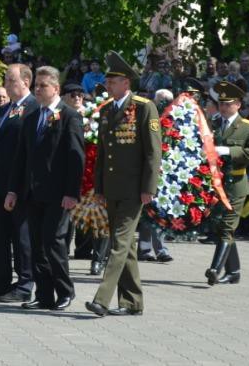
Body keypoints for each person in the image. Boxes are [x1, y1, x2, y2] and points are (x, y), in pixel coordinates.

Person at [85, 52, 161, 317]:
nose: (108, 85)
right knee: (126, 247)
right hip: (112, 188)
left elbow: (153, 151)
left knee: (118, 242)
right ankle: (132, 302)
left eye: (113, 81)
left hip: (133, 189)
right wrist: (99, 188)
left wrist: (148, 187)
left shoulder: (143, 107)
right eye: (108, 81)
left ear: (126, 83)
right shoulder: (106, 110)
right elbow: (103, 154)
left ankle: (102, 299)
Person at [5, 66, 85, 311]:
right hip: (33, 193)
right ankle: (44, 294)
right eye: (36, 86)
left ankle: (65, 290)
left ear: (56, 88)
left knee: (54, 242)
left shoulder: (69, 116)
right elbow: (20, 158)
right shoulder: (31, 117)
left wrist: (72, 193)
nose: (37, 90)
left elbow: (75, 157)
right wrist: (13, 190)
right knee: (37, 244)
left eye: (43, 86)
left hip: (58, 194)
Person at [0, 64, 39, 303]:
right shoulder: (3, 110)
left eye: (11, 80)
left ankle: (25, 283)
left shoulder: (34, 109)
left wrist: (16, 188)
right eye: (6, 80)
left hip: (19, 186)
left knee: (21, 238)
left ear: (26, 82)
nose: (6, 84)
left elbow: (27, 153)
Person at [204, 81, 249, 285]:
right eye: (221, 103)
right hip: (217, 184)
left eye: (227, 104)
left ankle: (214, 269)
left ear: (238, 104)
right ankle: (234, 272)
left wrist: (229, 151)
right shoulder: (214, 124)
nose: (223, 107)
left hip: (236, 183)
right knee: (221, 228)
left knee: (227, 227)